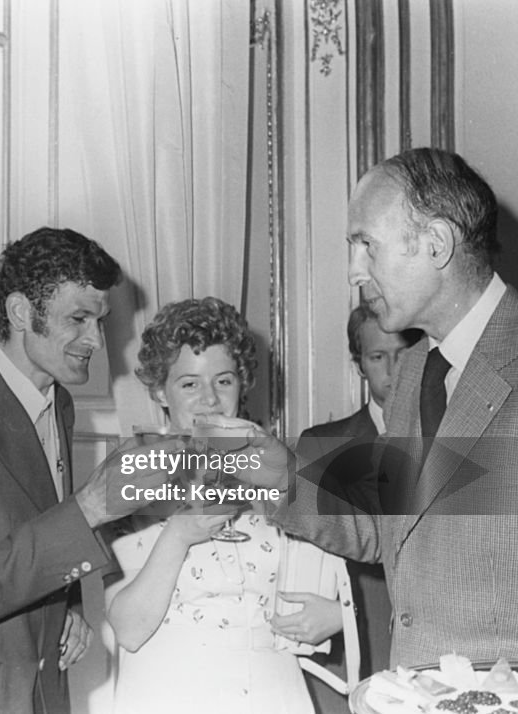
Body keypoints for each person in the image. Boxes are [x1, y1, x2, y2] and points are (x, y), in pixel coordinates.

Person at [214, 147, 518, 669]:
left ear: (437, 244)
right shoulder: (414, 373)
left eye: (366, 246)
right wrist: (278, 477)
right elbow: (387, 528)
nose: (354, 272)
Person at [0, 227, 171, 714]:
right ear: (22, 312)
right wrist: (90, 506)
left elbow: (32, 535)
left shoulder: (56, 402)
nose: (96, 341)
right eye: (79, 319)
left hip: (41, 688)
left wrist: (70, 610)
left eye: (100, 321)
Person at [106, 297, 352, 714]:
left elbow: (337, 574)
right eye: (189, 384)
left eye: (223, 381)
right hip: (171, 693)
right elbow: (128, 629)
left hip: (273, 693)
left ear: (243, 383)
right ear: (158, 390)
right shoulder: (132, 475)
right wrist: (178, 536)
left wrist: (339, 615)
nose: (210, 400)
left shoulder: (278, 469)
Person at [296, 305, 418, 712]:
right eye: (377, 357)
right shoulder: (322, 445)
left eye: (403, 354)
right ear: (358, 366)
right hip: (348, 658)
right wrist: (346, 614)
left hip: (423, 656)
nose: (392, 370)